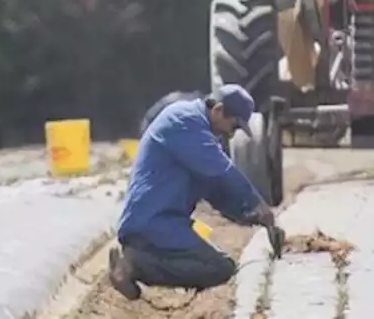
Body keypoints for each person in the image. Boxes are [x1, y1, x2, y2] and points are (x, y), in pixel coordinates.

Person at [108, 84, 284, 301]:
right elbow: (223, 172)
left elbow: (214, 190)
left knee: (221, 266)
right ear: (218, 110)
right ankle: (133, 266)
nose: (232, 133)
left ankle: (137, 262)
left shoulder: (200, 132)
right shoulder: (184, 120)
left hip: (167, 224)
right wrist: (258, 203)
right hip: (151, 223)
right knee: (218, 268)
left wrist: (250, 215)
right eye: (234, 125)